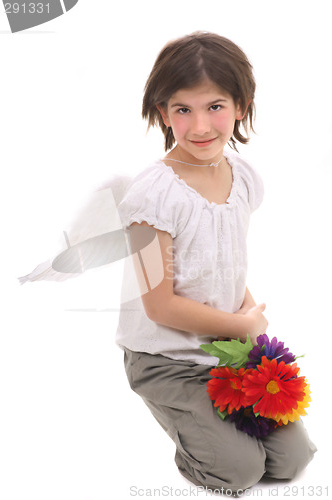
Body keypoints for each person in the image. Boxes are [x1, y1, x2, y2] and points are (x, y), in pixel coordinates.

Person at [115, 31, 317, 494]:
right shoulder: (153, 195)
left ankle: (221, 429)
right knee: (239, 471)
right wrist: (241, 326)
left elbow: (227, 262)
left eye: (215, 107)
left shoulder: (242, 177)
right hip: (166, 359)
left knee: (291, 460)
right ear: (163, 113)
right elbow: (160, 306)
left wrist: (248, 326)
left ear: (241, 106)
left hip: (225, 347)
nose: (201, 126)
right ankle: (199, 445)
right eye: (183, 110)